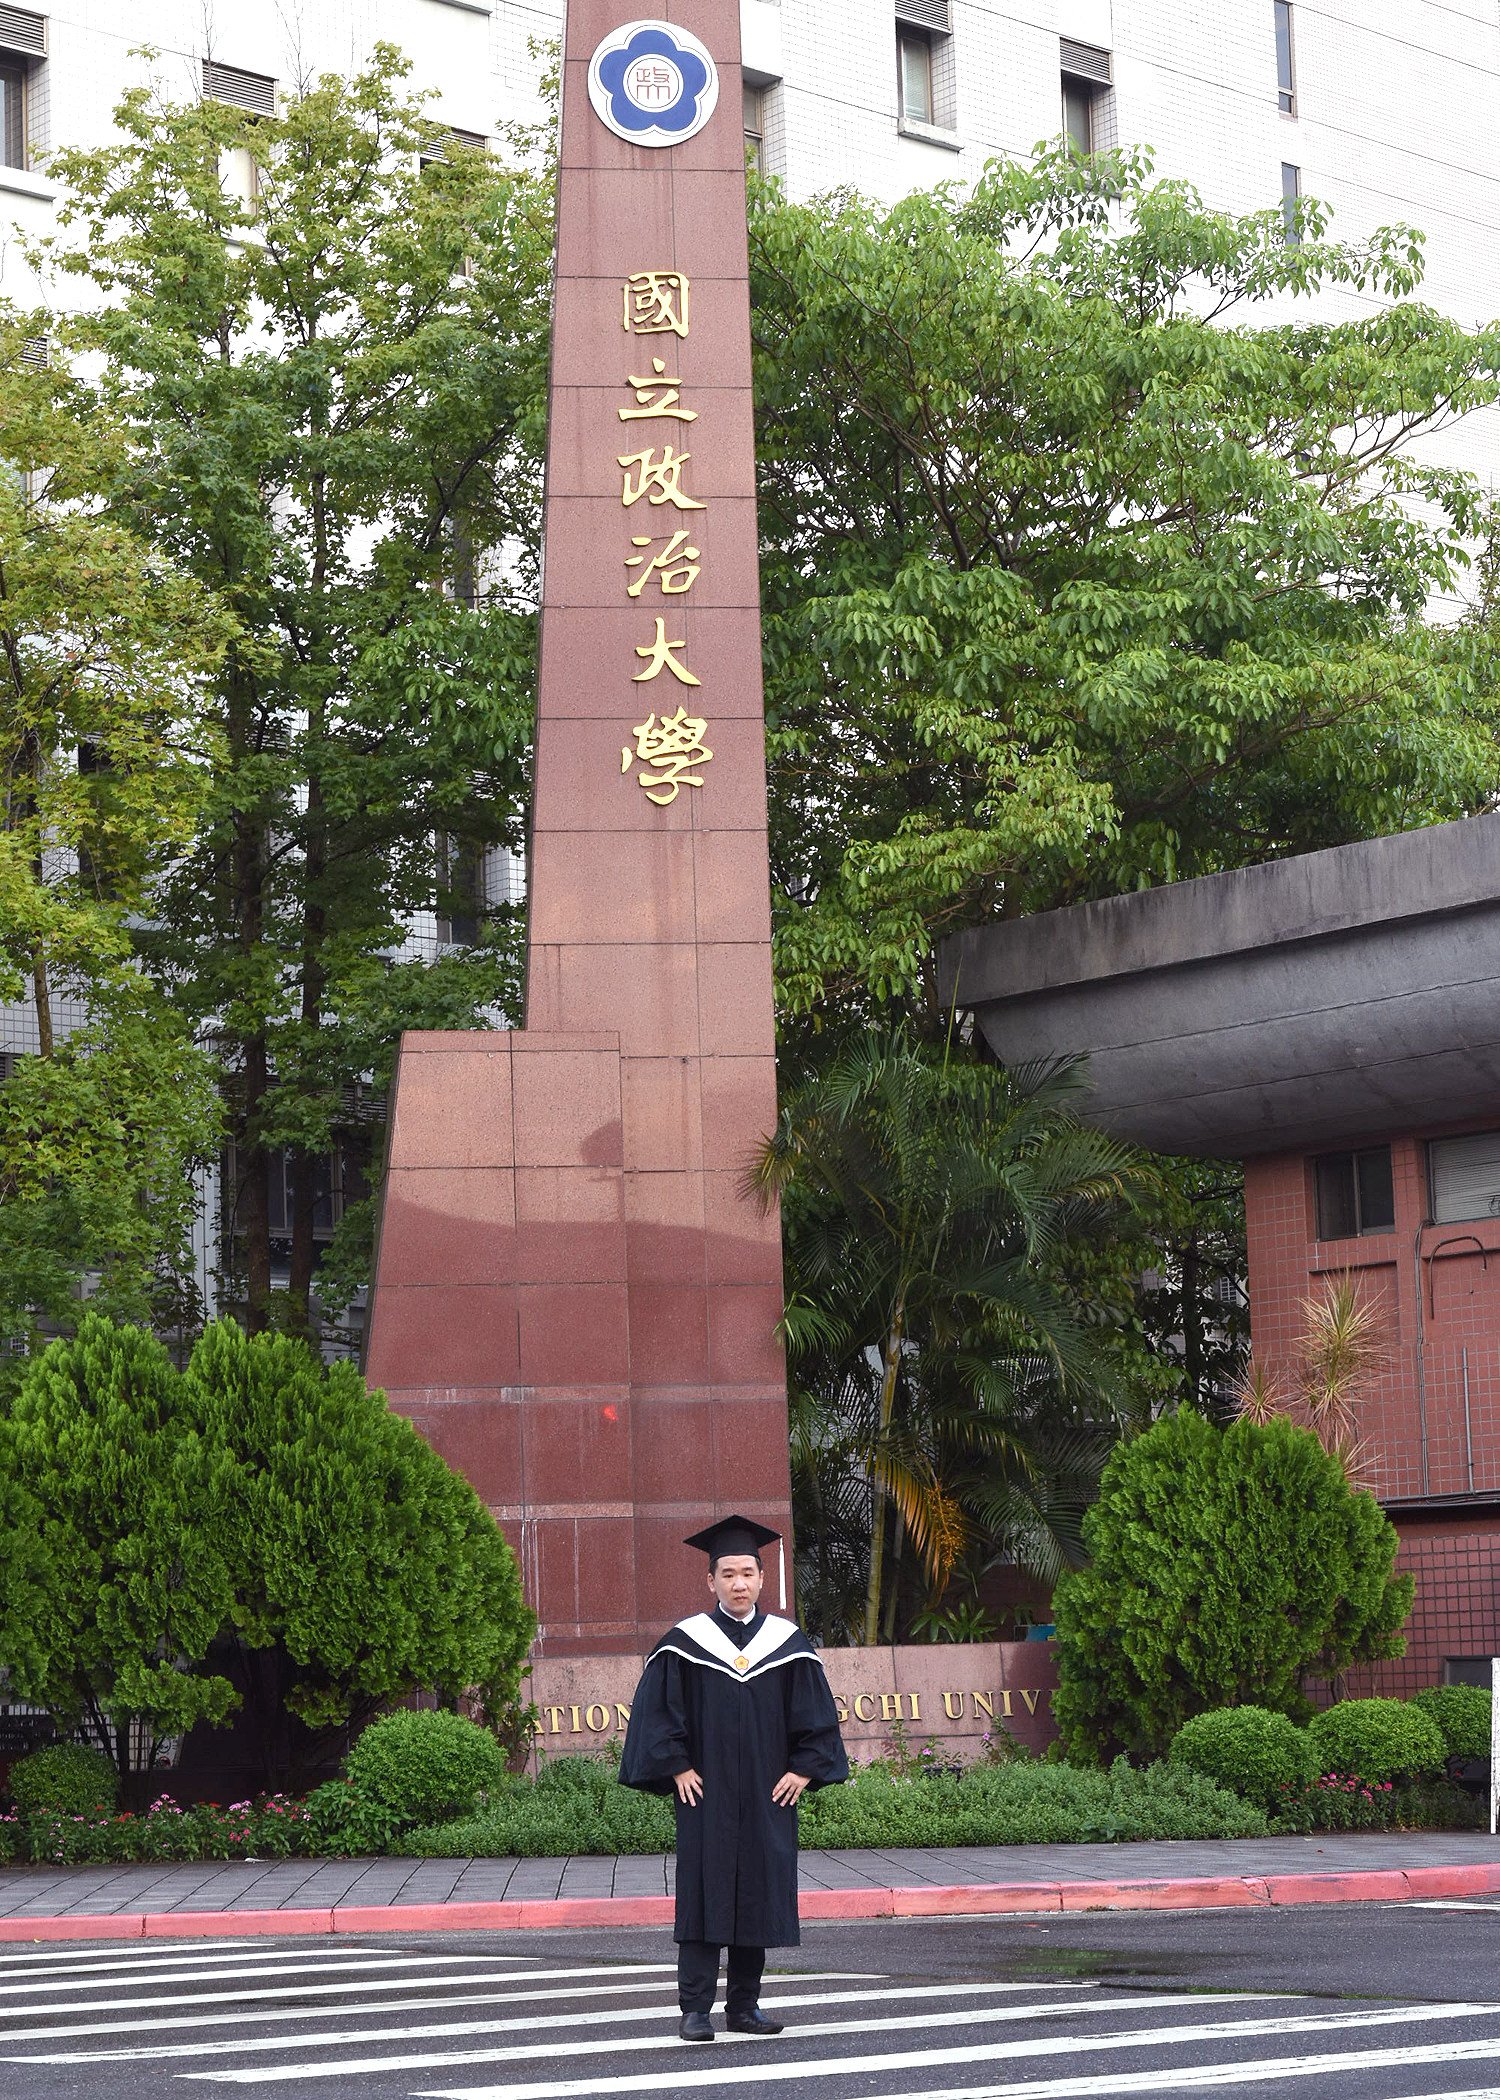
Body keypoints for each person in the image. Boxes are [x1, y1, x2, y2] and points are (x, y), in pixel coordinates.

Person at [618, 1513, 849, 2041]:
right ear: (711, 1581)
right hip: (707, 1794)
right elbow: (659, 1714)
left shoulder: (787, 1644)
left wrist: (803, 1771)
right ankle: (695, 2010)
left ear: (762, 1579)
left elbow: (814, 1718)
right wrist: (675, 1765)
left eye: (747, 1572)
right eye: (727, 1573)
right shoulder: (685, 1643)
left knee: (758, 1895)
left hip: (770, 1794)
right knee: (705, 1893)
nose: (738, 1583)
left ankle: (745, 2008)